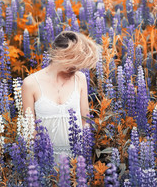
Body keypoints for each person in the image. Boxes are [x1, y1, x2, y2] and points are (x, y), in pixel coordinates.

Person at [21, 30, 99, 160]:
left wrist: (84, 157)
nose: (76, 67)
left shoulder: (79, 78)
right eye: (73, 61)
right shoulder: (30, 83)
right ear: (59, 54)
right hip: (46, 161)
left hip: (76, 161)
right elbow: (30, 130)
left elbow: (85, 121)